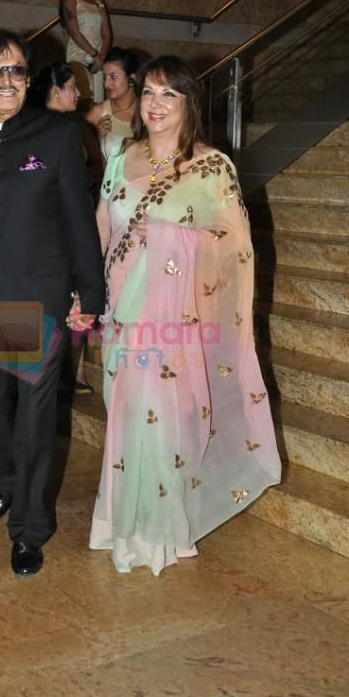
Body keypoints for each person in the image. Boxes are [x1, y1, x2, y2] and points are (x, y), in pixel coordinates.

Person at [90, 56, 281, 576]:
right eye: (148, 92)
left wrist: (176, 237)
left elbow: (236, 246)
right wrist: (92, 296)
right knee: (125, 412)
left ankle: (161, 528)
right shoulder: (118, 156)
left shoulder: (211, 166)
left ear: (188, 103)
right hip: (122, 310)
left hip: (176, 318)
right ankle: (121, 520)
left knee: (162, 412)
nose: (155, 104)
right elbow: (103, 227)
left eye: (168, 95)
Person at [0, 29, 105, 577]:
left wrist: (91, 290)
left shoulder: (56, 136)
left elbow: (78, 220)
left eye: (15, 70)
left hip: (29, 297)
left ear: (28, 78)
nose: (6, 81)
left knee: (34, 416)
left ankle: (30, 528)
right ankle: (8, 485)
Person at [32, 61, 104, 394]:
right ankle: (64, 377)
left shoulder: (71, 129)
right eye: (72, 87)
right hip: (41, 252)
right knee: (23, 364)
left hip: (53, 250)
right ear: (54, 90)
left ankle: (68, 376)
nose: (79, 93)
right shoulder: (60, 132)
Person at [59, 0, 112, 104]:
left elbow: (107, 35)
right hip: (79, 56)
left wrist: (101, 57)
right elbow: (74, 32)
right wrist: (94, 54)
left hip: (98, 60)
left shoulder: (100, 2)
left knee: (100, 99)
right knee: (83, 98)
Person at [86, 47, 137, 163]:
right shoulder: (98, 112)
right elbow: (81, 157)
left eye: (113, 77)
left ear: (132, 79)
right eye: (105, 77)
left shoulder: (148, 110)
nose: (106, 84)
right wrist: (97, 138)